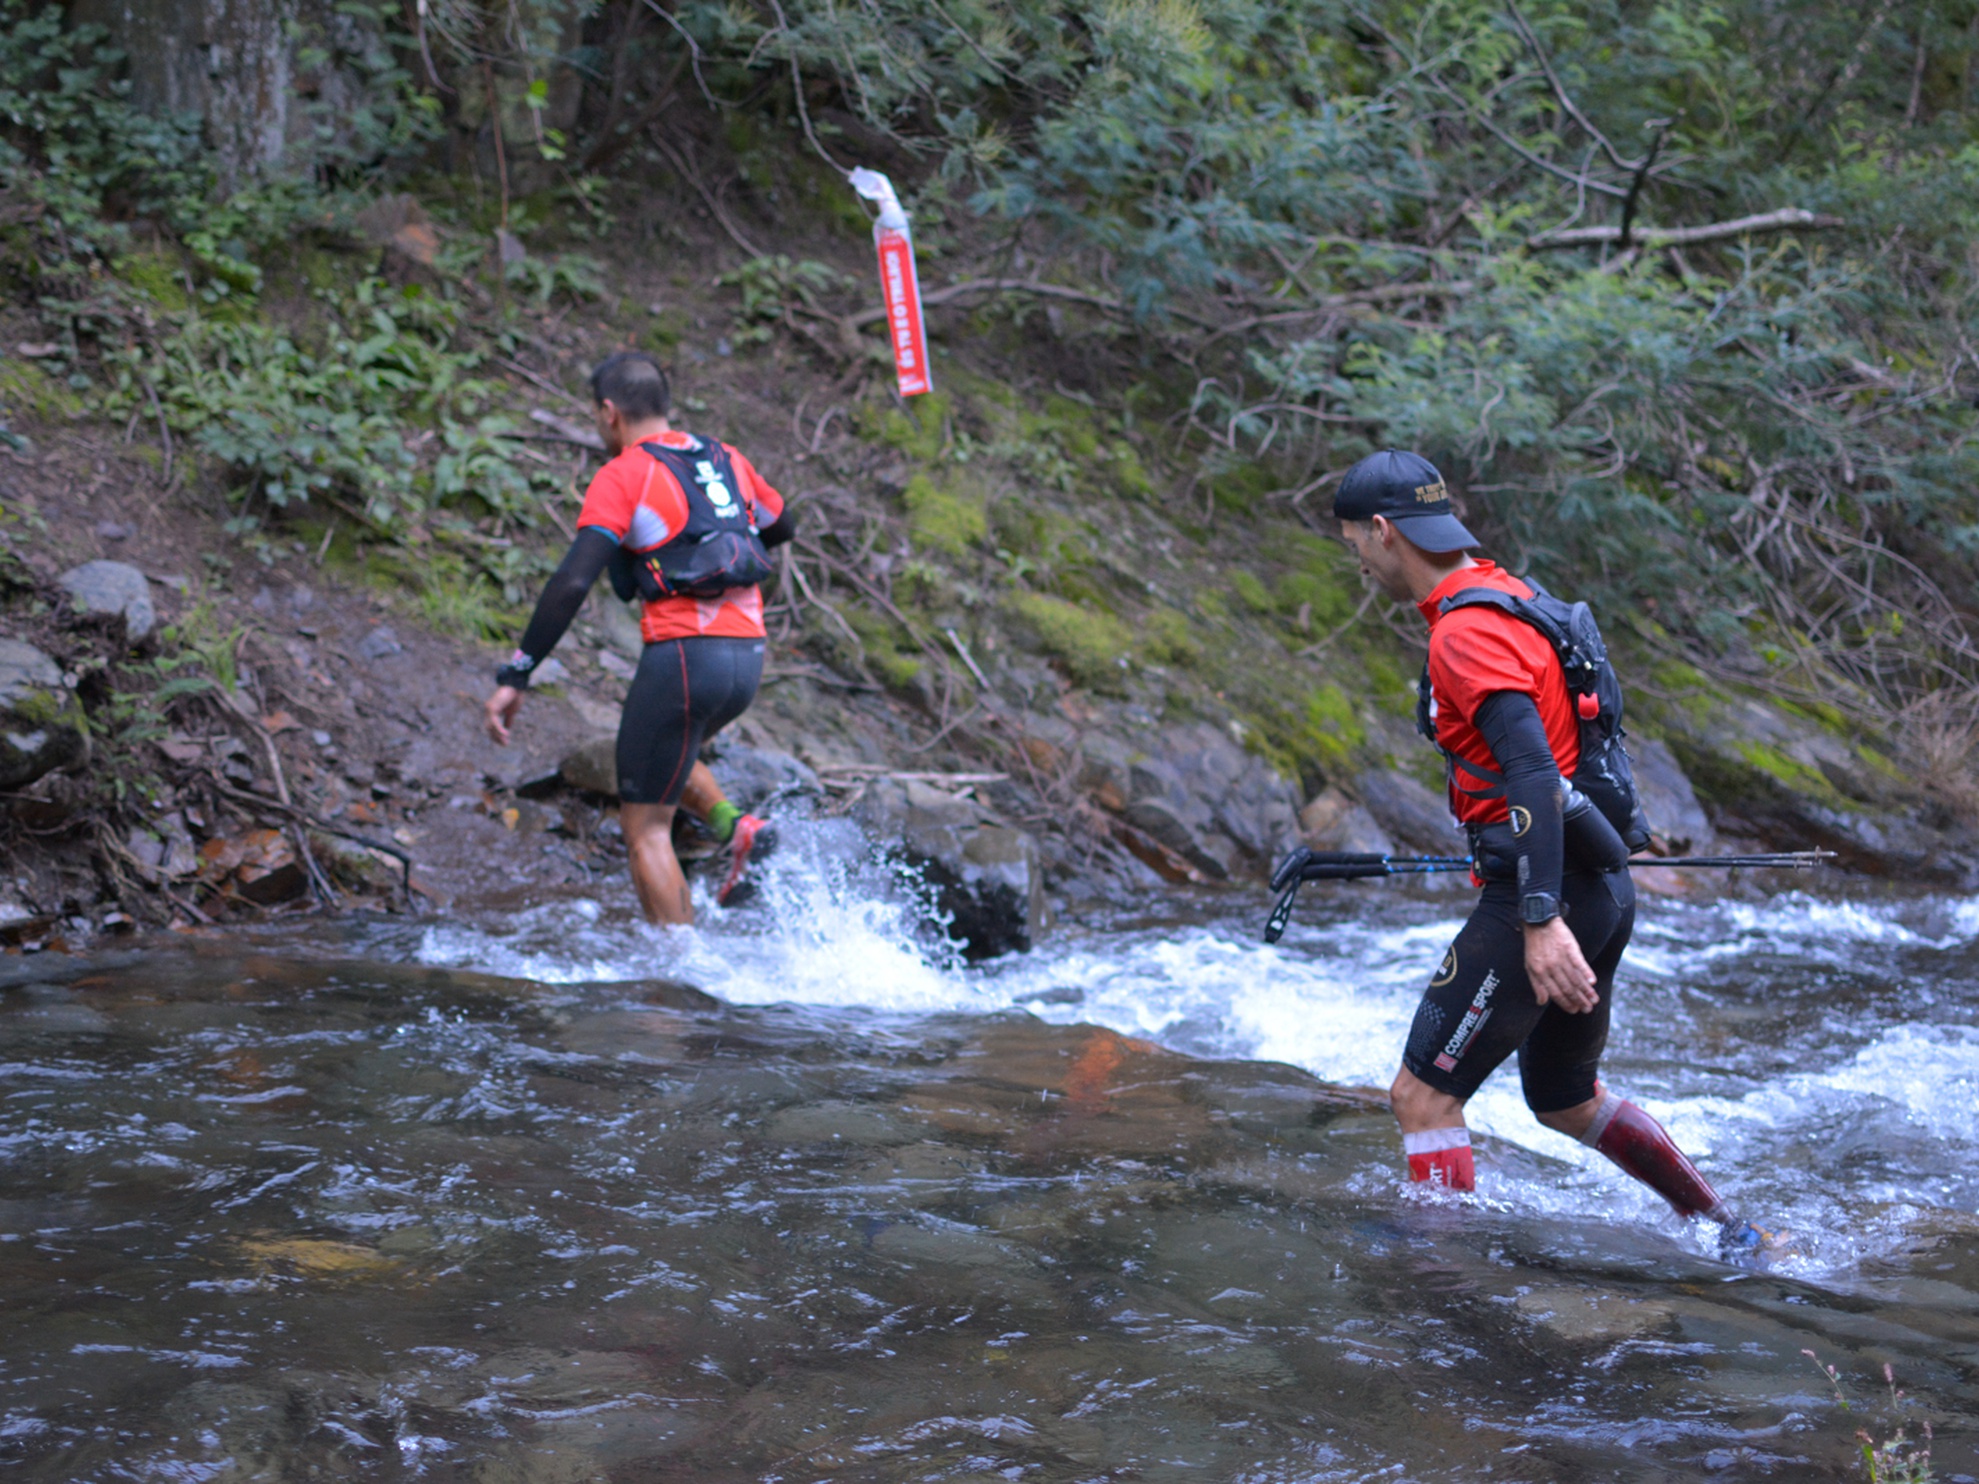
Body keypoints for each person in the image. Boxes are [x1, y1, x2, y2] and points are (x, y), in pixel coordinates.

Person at [1334, 448, 1774, 1256]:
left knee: (1422, 1098)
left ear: (1383, 531)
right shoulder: (1510, 594)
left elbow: (1534, 772)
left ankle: (1439, 1283)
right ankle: (1735, 1233)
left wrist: (1538, 920)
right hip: (1600, 888)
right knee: (1566, 1099)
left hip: (1548, 899)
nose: (1357, 561)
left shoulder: (1465, 633)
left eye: (1354, 542)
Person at [483, 351, 794, 922]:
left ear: (609, 412)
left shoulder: (625, 473)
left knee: (646, 826)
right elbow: (781, 525)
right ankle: (738, 829)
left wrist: (518, 672)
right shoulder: (726, 457)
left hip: (685, 658)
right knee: (671, 750)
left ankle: (678, 966)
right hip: (747, 658)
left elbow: (572, 581)